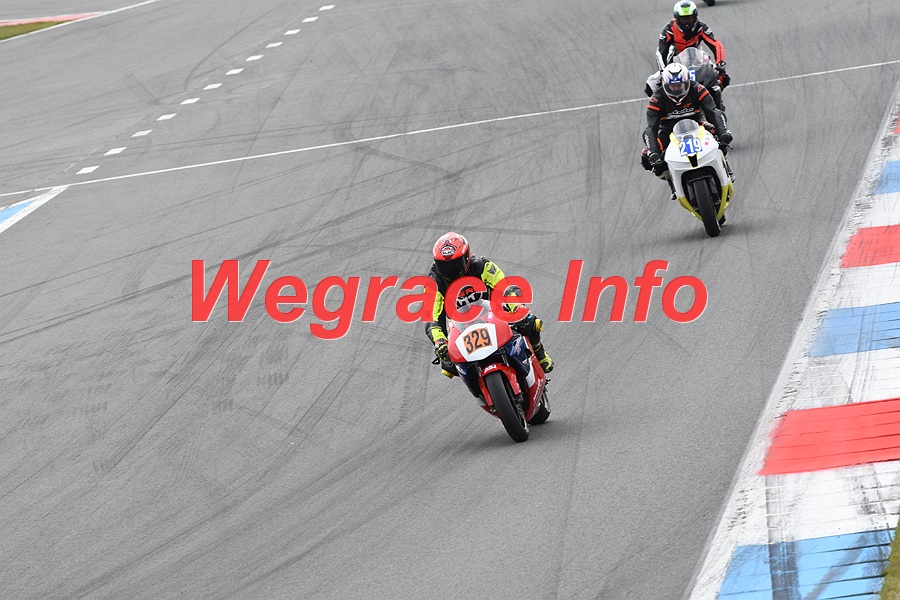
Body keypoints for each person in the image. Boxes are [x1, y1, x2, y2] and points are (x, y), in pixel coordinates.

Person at [425, 232, 554, 397]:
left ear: (467, 257)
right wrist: (440, 342)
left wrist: (515, 308)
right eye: (444, 266)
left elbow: (504, 286)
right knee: (449, 364)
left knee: (529, 321)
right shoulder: (434, 282)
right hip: (461, 326)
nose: (450, 270)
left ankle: (539, 352)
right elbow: (431, 317)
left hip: (493, 313)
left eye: (455, 264)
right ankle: (480, 391)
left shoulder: (481, 265)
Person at [640, 62, 733, 199]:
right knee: (647, 157)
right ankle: (671, 180)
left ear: (688, 82)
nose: (676, 89)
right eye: (672, 86)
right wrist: (653, 152)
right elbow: (651, 127)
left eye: (680, 85)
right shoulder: (656, 98)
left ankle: (725, 165)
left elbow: (713, 111)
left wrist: (723, 131)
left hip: (697, 122)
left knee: (719, 135)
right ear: (664, 85)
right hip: (668, 129)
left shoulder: (698, 88)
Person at [654, 1, 730, 90]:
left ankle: (715, 96)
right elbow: (660, 52)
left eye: (689, 19)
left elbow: (716, 45)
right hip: (674, 63)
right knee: (652, 83)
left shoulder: (701, 27)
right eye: (683, 19)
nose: (686, 23)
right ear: (676, 18)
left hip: (697, 60)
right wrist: (663, 70)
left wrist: (720, 65)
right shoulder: (669, 30)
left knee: (722, 78)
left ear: (695, 17)